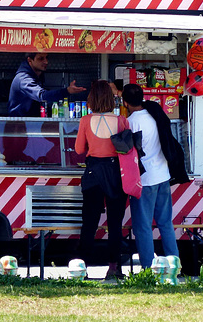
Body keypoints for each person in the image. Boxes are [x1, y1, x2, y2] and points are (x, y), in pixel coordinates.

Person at [121, 83, 179, 269]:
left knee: (143, 227)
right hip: (163, 176)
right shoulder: (155, 116)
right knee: (165, 224)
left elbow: (126, 151)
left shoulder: (131, 122)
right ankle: (174, 263)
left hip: (144, 180)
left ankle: (148, 268)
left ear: (125, 102)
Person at [74, 80, 128, 280]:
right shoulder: (122, 120)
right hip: (115, 173)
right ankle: (114, 268)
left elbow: (79, 150)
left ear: (91, 99)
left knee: (89, 223)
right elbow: (126, 149)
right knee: (115, 223)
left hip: (93, 174)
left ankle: (82, 267)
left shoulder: (85, 121)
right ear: (110, 98)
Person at [8, 52, 85, 117]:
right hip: (20, 127)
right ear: (30, 60)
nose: (46, 62)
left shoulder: (36, 76)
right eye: (41, 58)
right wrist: (67, 91)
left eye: (46, 58)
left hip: (29, 125)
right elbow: (42, 96)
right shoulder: (23, 79)